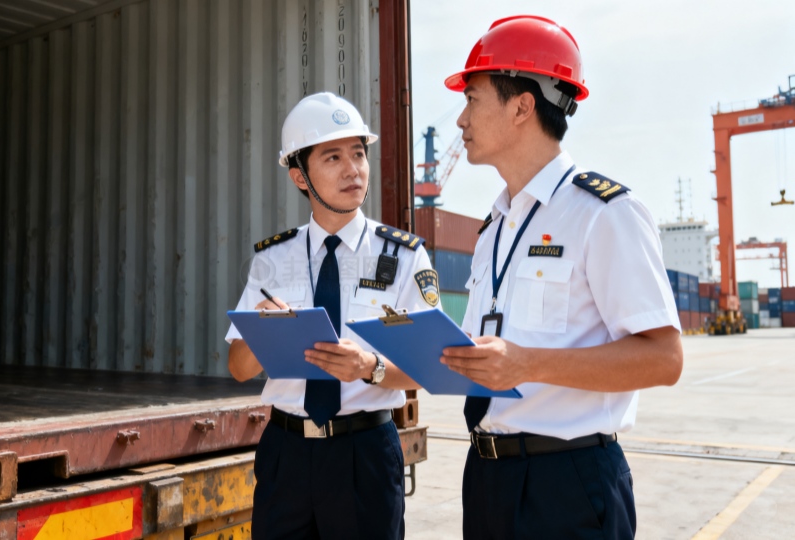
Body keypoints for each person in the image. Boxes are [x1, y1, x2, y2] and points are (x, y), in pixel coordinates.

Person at [438, 15, 684, 539]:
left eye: (473, 98)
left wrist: (525, 365)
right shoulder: (494, 227)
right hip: (485, 478)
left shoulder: (604, 213)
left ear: (522, 105)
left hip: (566, 483)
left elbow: (664, 359)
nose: (461, 119)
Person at [225, 92, 438, 540]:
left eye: (359, 154)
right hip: (286, 454)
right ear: (299, 176)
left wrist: (371, 367)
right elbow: (240, 369)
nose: (353, 169)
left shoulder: (403, 257)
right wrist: (264, 330)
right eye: (333, 157)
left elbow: (429, 367)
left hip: (365, 455)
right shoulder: (273, 258)